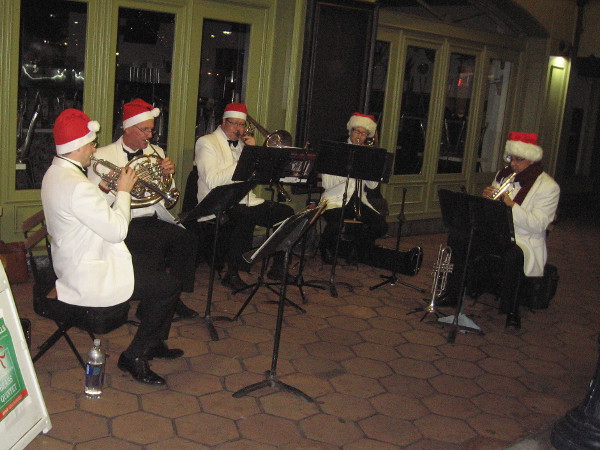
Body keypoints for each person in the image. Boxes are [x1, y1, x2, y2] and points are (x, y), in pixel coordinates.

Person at [41, 108, 183, 385]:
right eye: (91, 144)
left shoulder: (55, 173)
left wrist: (105, 189)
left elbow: (87, 211)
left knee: (155, 275)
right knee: (167, 287)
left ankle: (152, 341)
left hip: (78, 257)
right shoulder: (77, 185)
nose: (94, 149)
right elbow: (118, 231)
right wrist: (124, 190)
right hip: (89, 272)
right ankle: (134, 356)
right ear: (78, 146)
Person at [88, 99, 198, 320]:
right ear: (128, 128)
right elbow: (95, 203)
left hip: (152, 216)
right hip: (124, 221)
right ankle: (154, 301)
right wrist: (110, 185)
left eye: (151, 130)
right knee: (152, 244)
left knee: (187, 240)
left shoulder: (156, 151)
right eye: (144, 130)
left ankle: (173, 296)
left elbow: (168, 196)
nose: (150, 135)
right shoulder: (102, 156)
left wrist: (167, 177)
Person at [438, 132, 560, 325]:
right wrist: (487, 200)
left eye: (519, 160)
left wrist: (511, 206)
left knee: (513, 255)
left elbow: (539, 225)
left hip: (524, 239)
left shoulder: (548, 187)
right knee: (458, 239)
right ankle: (453, 293)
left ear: (532, 159)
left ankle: (511, 310)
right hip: (496, 233)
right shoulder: (504, 176)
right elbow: (490, 212)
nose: (513, 164)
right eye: (511, 159)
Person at [194, 102, 295, 292]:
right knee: (243, 216)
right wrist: (246, 157)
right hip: (218, 202)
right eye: (234, 124)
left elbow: (257, 177)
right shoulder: (206, 142)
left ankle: (278, 267)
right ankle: (231, 273)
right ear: (223, 122)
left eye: (242, 125)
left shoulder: (243, 145)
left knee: (286, 213)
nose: (239, 129)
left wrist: (258, 155)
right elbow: (212, 180)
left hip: (245, 199)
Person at [319, 112, 389, 264]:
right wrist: (349, 169)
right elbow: (326, 183)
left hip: (358, 201)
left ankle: (355, 248)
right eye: (357, 131)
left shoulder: (367, 153)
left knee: (381, 225)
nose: (360, 136)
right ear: (350, 131)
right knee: (336, 223)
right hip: (335, 200)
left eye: (364, 134)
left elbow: (372, 186)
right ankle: (325, 248)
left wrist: (371, 167)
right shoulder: (336, 151)